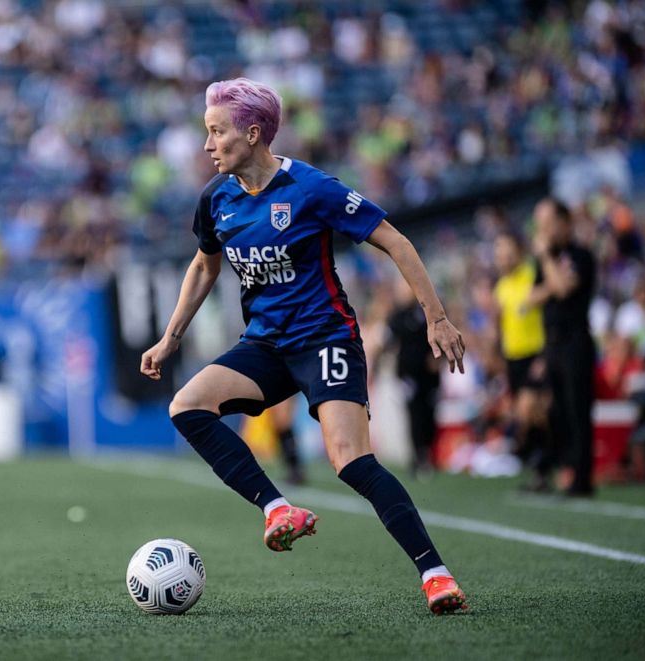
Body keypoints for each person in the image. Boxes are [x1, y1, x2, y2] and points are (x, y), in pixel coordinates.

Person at [140, 78, 468, 614]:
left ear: (251, 134)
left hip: (325, 338)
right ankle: (276, 508)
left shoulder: (312, 189)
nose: (206, 145)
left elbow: (396, 241)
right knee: (188, 406)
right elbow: (204, 263)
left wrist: (437, 318)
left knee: (351, 461)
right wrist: (169, 338)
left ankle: (435, 573)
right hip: (265, 344)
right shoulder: (216, 199)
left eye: (216, 132)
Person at [528, 198, 596, 496]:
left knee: (578, 411)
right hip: (552, 345)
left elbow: (566, 288)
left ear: (564, 222)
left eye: (547, 223)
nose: (543, 231)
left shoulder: (580, 255)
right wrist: (552, 283)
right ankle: (565, 470)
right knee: (557, 412)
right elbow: (531, 298)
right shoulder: (550, 261)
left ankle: (582, 479)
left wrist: (545, 259)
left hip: (575, 342)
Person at [492, 231, 551, 491]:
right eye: (499, 252)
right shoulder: (501, 287)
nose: (502, 257)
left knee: (530, 411)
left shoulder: (533, 274)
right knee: (527, 415)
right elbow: (501, 324)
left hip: (535, 354)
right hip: (513, 358)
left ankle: (548, 462)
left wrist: (546, 354)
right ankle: (541, 469)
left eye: (506, 251)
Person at [387, 277, 441, 478]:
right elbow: (390, 342)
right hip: (408, 375)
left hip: (429, 374)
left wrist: (438, 359)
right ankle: (418, 456)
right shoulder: (396, 315)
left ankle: (429, 454)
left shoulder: (428, 313)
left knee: (430, 414)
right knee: (414, 416)